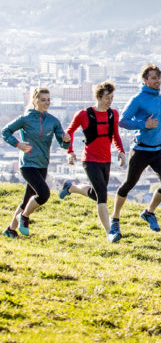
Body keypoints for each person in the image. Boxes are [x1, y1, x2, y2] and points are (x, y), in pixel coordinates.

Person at [110, 64, 161, 239]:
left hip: (157, 150)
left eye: (159, 77)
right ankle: (115, 218)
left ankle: (149, 212)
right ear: (145, 80)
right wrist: (143, 125)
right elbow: (122, 121)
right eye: (153, 78)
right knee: (129, 184)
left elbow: (154, 122)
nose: (157, 81)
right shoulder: (138, 99)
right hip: (140, 150)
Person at [60, 81, 127, 242]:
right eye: (107, 98)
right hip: (90, 160)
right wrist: (69, 152)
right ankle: (110, 233)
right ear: (98, 97)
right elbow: (68, 133)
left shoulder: (113, 114)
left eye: (112, 98)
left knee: (96, 194)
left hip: (106, 160)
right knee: (102, 195)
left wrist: (121, 151)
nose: (110, 101)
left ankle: (71, 188)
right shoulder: (84, 114)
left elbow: (115, 135)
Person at [2, 87, 70, 238]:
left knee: (27, 199)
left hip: (42, 164)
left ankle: (10, 230)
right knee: (44, 194)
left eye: (48, 100)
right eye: (43, 100)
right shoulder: (25, 119)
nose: (46, 103)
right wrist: (18, 144)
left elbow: (63, 144)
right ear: (35, 101)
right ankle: (24, 217)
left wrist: (67, 140)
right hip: (27, 164)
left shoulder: (53, 121)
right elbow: (5, 132)